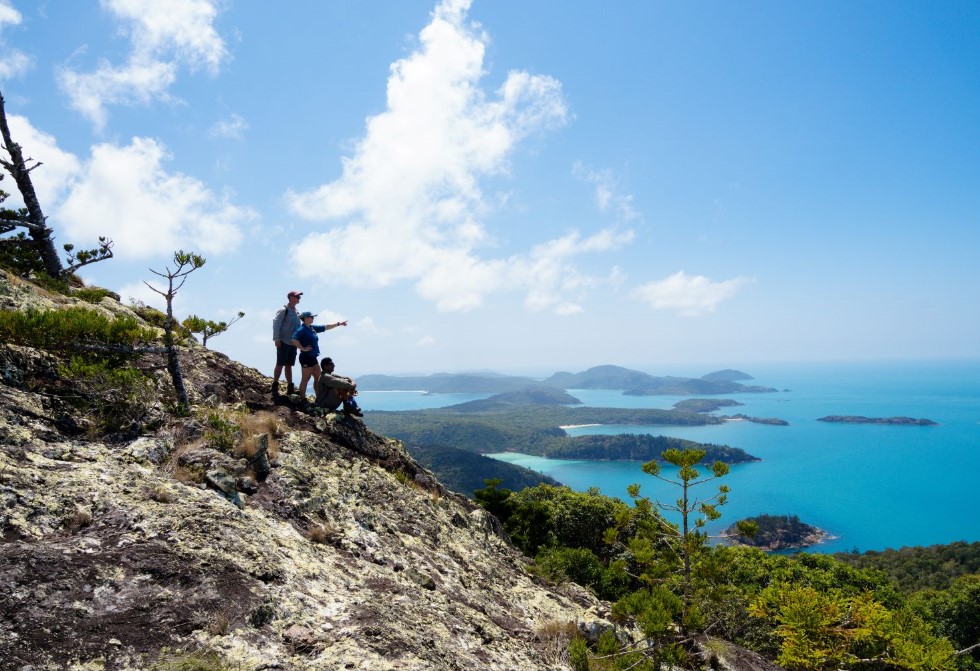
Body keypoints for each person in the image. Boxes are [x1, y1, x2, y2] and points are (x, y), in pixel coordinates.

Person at [290, 311, 347, 399]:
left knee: (318, 378)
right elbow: (293, 340)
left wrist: (338, 324)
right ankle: (302, 399)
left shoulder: (312, 328)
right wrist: (302, 348)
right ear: (305, 318)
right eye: (311, 317)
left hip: (313, 357)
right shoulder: (302, 329)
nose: (313, 318)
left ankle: (318, 397)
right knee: (305, 379)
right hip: (306, 357)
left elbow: (325, 327)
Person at [271, 290, 303, 396]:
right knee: (280, 363)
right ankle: (275, 385)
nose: (299, 298)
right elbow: (276, 323)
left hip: (293, 343)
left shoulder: (297, 312)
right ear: (290, 297)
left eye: (299, 297)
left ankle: (290, 387)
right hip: (283, 341)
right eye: (297, 296)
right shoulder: (283, 310)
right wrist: (276, 338)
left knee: (289, 365)